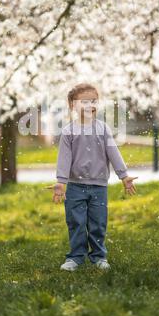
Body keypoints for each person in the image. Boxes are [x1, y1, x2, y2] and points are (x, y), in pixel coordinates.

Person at [47, 83, 138, 271]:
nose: (90, 105)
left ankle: (98, 257)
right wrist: (61, 182)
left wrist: (124, 176)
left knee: (98, 223)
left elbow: (113, 153)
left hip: (99, 186)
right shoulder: (68, 132)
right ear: (73, 105)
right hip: (74, 186)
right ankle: (75, 257)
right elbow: (64, 159)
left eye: (94, 101)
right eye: (84, 102)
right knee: (76, 223)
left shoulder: (102, 129)